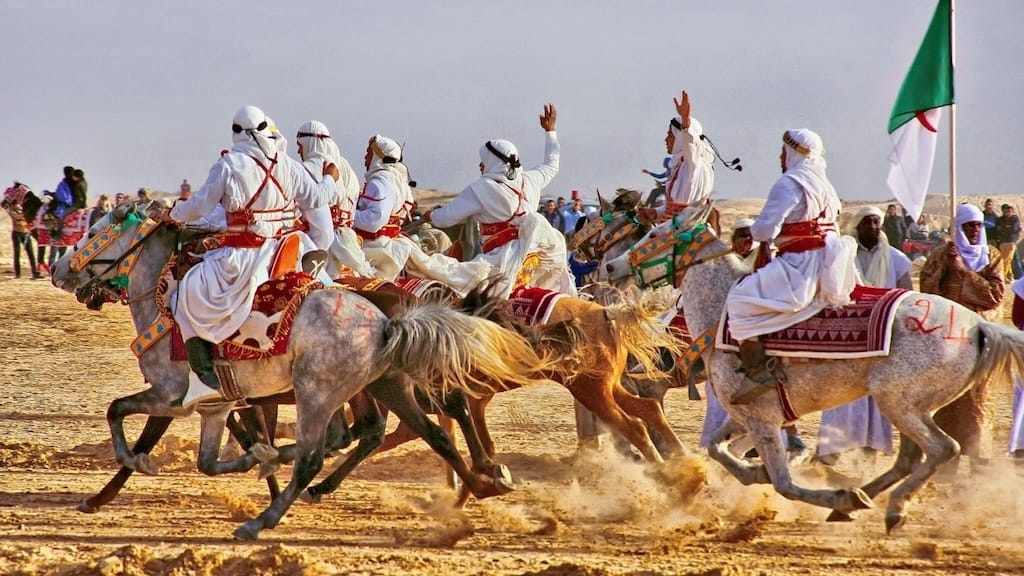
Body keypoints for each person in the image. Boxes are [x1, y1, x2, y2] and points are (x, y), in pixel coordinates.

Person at [159, 105, 342, 407]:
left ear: (236, 133)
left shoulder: (229, 164)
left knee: (185, 293)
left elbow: (201, 206)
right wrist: (330, 179)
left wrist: (173, 215)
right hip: (283, 252)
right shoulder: (286, 164)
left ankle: (206, 379)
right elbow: (320, 197)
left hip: (243, 257)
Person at [725, 129, 856, 404]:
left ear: (794, 153)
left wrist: (757, 232)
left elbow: (764, 230)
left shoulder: (789, 183)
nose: (780, 156)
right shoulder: (826, 186)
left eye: (783, 151)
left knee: (738, 299)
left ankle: (758, 371)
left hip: (800, 265)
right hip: (828, 265)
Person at [424, 103, 576, 297]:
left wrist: (430, 215)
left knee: (443, 278)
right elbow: (551, 165)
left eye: (484, 161)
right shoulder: (530, 179)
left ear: (494, 162)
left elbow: (446, 218)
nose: (480, 165)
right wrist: (550, 131)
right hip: (533, 261)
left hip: (499, 263)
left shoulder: (481, 188)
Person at [815, 206, 912, 466]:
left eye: (876, 222)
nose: (872, 227)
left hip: (882, 338)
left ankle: (869, 454)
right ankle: (829, 454)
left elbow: (906, 297)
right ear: (857, 227)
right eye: (867, 223)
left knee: (875, 397)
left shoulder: (897, 260)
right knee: (838, 393)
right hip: (848, 338)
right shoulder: (843, 258)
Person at [919, 203, 1004, 472]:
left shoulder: (992, 257)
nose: (975, 231)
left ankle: (980, 465)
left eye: (978, 226)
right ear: (959, 229)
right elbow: (927, 293)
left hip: (981, 339)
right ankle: (948, 464)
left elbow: (994, 296)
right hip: (949, 339)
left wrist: (963, 271)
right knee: (948, 402)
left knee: (979, 401)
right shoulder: (940, 255)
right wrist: (947, 268)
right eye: (969, 227)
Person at [354, 134, 489, 295]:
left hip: (374, 245)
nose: (364, 157)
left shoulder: (379, 182)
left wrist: (348, 215)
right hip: (391, 241)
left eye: (368, 153)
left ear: (378, 155)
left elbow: (374, 220)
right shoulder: (395, 180)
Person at [294, 120, 374, 278]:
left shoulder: (307, 169)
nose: (298, 151)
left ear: (308, 143)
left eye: (300, 145)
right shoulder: (345, 166)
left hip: (322, 247)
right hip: (349, 241)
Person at [638, 90, 716, 223]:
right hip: (673, 223)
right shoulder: (681, 164)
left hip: (683, 227)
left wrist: (685, 123)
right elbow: (678, 207)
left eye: (670, 134)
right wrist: (655, 212)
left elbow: (690, 143)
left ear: (680, 137)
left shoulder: (693, 161)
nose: (665, 139)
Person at [2, 182, 40, 279]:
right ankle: (17, 274)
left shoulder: (26, 207)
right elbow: (16, 217)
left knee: (31, 253)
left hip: (26, 233)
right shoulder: (13, 210)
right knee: (17, 253)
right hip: (17, 233)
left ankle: (35, 273)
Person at [995, 204, 1020, 281]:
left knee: (1007, 260)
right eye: (1006, 211)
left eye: (1009, 211)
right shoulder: (1000, 219)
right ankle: (1010, 276)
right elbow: (998, 229)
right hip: (1002, 242)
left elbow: (1014, 229)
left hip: (1011, 242)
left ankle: (1002, 277)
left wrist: (1005, 227)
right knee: (1004, 259)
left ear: (1012, 212)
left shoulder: (1015, 219)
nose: (1007, 213)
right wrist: (1006, 227)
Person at [51, 166, 75, 238]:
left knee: (58, 214)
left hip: (66, 204)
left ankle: (58, 233)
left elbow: (61, 195)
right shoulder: (74, 182)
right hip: (72, 202)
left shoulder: (64, 183)